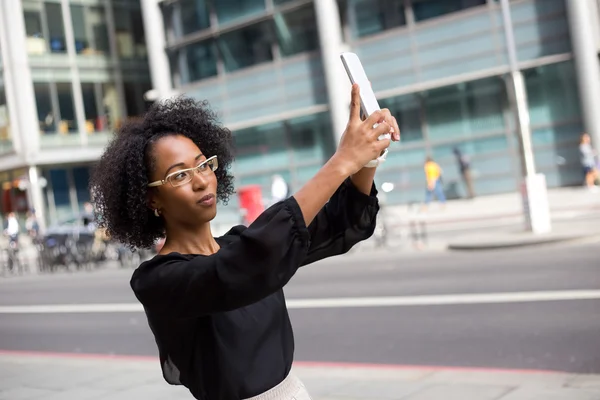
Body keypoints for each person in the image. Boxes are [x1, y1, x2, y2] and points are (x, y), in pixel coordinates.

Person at [89, 85, 400, 400]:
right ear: (151, 198)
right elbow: (242, 266)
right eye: (179, 175)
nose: (200, 180)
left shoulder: (238, 244)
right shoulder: (158, 280)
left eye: (203, 164)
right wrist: (342, 161)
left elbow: (340, 224)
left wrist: (368, 157)